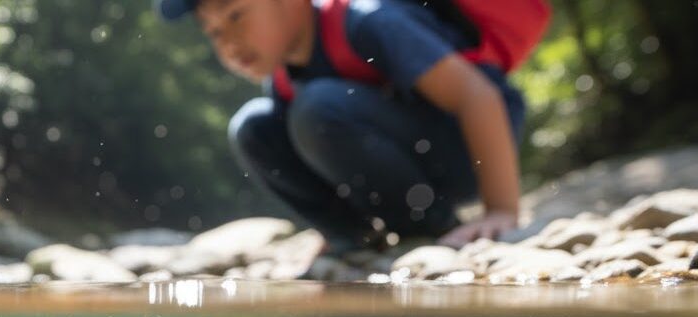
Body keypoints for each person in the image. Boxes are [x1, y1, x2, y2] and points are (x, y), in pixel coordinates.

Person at [155, 0, 547, 254]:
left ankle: (428, 229)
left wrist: (500, 209)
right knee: (252, 127)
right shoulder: (283, 78)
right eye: (215, 32)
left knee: (318, 109)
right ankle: (354, 239)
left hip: (461, 150)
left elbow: (477, 97)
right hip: (395, 155)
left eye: (236, 15)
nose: (228, 42)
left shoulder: (368, 21)